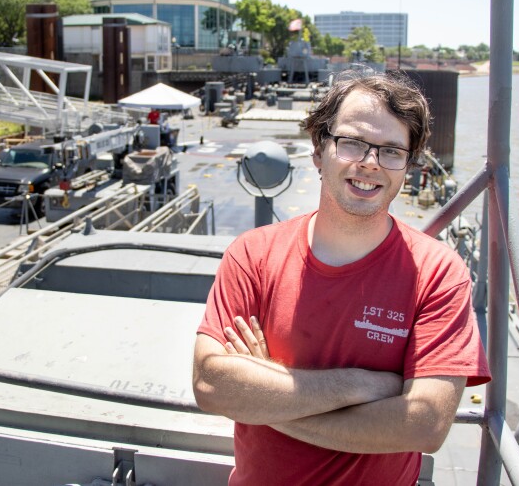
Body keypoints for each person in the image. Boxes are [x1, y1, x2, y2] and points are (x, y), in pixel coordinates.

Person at [192, 70, 490, 486]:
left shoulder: (438, 275)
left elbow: (425, 425)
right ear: (319, 150)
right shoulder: (253, 255)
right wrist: (361, 385)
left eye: (391, 151)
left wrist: (266, 400)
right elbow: (212, 385)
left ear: (408, 165)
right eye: (351, 143)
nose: (369, 163)